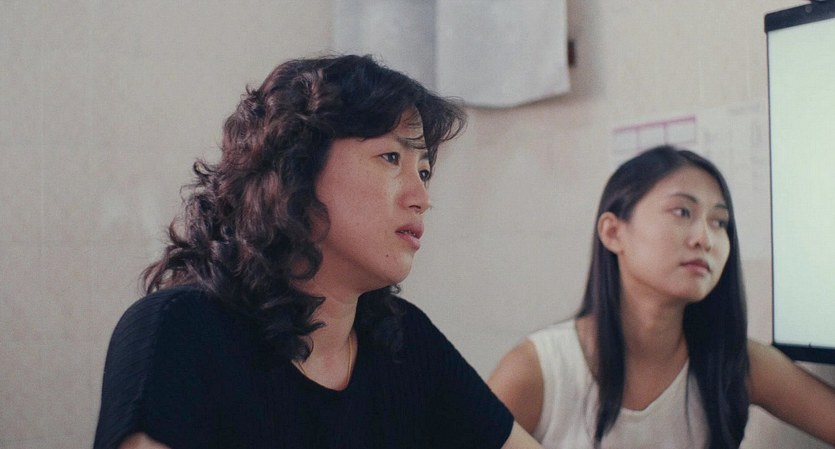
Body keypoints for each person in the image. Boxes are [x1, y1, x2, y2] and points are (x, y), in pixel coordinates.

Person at [94, 54, 541, 449]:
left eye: (423, 172)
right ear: (297, 168)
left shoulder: (405, 341)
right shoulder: (179, 329)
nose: (421, 198)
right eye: (391, 158)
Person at [488, 146, 835, 448]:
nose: (705, 238)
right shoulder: (537, 370)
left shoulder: (734, 362)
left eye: (719, 222)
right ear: (613, 232)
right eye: (682, 212)